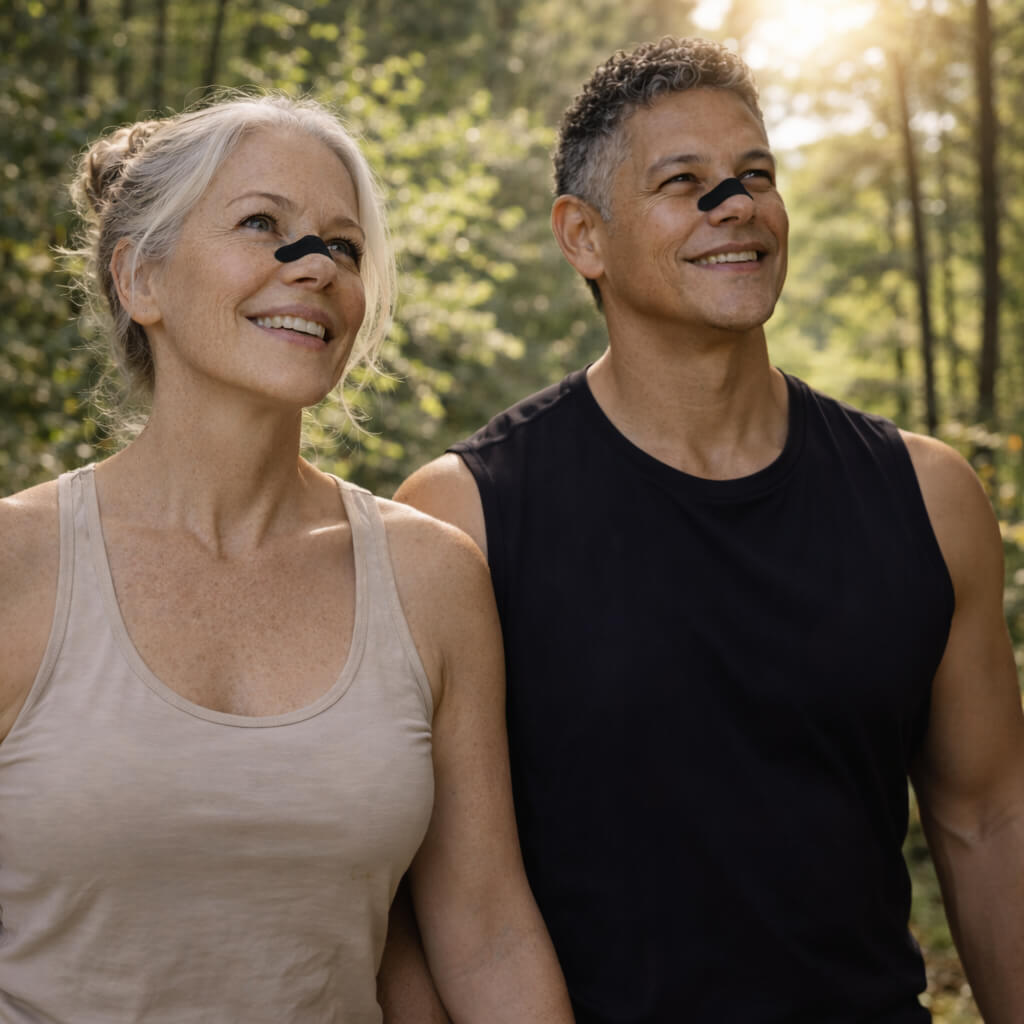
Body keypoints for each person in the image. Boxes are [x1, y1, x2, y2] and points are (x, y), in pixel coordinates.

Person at [391, 37, 1024, 1023]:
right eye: (682, 182)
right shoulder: (459, 519)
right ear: (582, 236)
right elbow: (426, 910)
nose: (736, 205)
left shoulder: (929, 497)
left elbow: (987, 817)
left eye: (754, 176)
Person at [0, 92, 574, 1023]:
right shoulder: (15, 564)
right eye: (262, 224)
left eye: (342, 248)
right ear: (140, 281)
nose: (314, 269)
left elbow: (486, 933)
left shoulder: (430, 578)